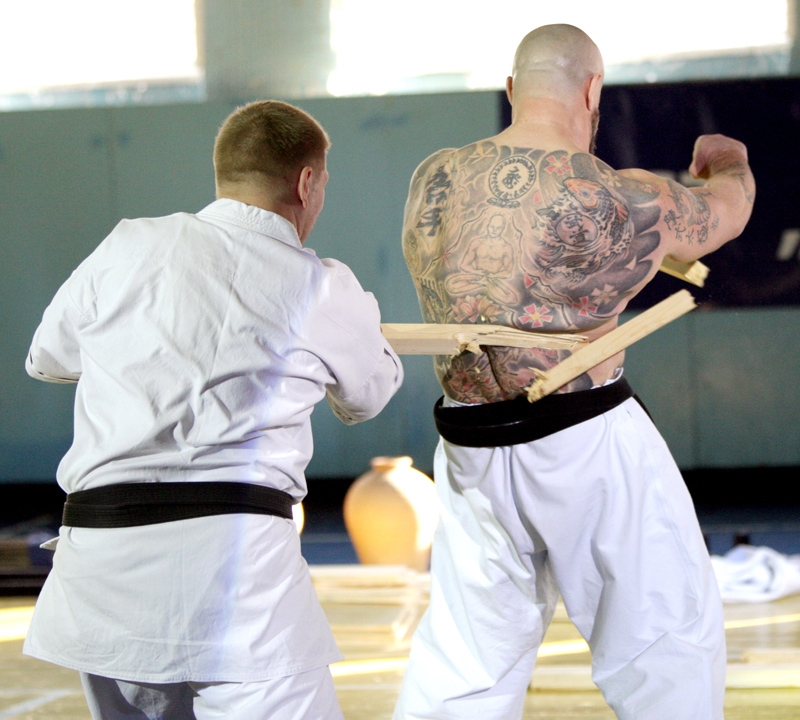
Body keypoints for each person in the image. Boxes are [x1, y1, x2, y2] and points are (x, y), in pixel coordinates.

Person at [394, 24, 754, 720]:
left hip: (471, 444)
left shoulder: (433, 179)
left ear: (511, 89)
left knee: (465, 664)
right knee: (665, 641)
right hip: (582, 436)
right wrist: (728, 159)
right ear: (593, 92)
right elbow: (727, 212)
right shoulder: (623, 197)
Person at [24, 100, 403, 720]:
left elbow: (47, 358)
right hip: (236, 573)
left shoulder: (126, 245)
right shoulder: (321, 284)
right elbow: (369, 396)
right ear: (307, 182)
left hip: (103, 570)